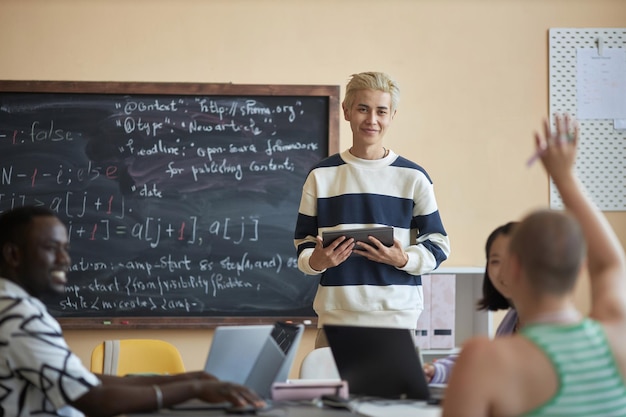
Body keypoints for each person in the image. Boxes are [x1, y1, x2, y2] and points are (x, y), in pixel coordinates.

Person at [442, 113, 626, 416]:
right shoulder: (617, 335)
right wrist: (566, 178)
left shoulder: (484, 361)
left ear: (512, 269)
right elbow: (611, 265)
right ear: (580, 268)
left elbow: (609, 265)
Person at [0, 206, 265, 417]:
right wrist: (194, 389)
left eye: (66, 249)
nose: (64, 259)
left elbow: (83, 381)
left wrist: (185, 379)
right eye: (51, 248)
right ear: (13, 255)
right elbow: (95, 401)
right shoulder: (19, 317)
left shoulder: (11, 307)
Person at [293, 71, 451, 348]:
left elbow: (438, 245)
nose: (372, 120)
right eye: (363, 109)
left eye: (381, 111)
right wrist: (317, 261)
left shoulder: (413, 177)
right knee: (331, 393)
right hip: (336, 320)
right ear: (346, 111)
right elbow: (304, 244)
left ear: (392, 116)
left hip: (397, 320)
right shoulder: (321, 175)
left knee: (395, 394)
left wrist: (402, 260)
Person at [424, 221, 518, 383]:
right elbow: (488, 363)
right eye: (495, 261)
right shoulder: (513, 318)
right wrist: (437, 371)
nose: (503, 271)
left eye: (513, 260)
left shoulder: (551, 330)